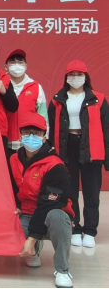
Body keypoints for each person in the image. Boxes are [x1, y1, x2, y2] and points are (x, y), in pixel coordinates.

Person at [48, 60, 109, 248]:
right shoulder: (57, 99)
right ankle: (74, 227)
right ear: (66, 77)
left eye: (79, 74)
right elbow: (51, 129)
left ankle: (90, 230)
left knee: (91, 192)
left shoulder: (98, 99)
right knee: (70, 190)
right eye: (72, 75)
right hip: (67, 147)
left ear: (86, 77)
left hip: (91, 147)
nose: (75, 78)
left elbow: (106, 129)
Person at [11, 113, 74, 289]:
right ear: (20, 135)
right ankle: (34, 252)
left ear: (44, 137)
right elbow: (11, 188)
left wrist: (32, 238)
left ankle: (62, 270)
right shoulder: (14, 159)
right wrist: (16, 207)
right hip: (27, 212)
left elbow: (49, 204)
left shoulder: (55, 165)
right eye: (27, 132)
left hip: (50, 213)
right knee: (9, 225)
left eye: (37, 133)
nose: (31, 137)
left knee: (57, 217)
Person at [5, 49, 49, 152]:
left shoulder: (36, 87)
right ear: (6, 66)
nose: (17, 65)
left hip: (28, 143)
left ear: (26, 66)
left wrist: (44, 139)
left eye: (20, 62)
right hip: (4, 142)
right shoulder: (1, 86)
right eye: (12, 62)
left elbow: (43, 117)